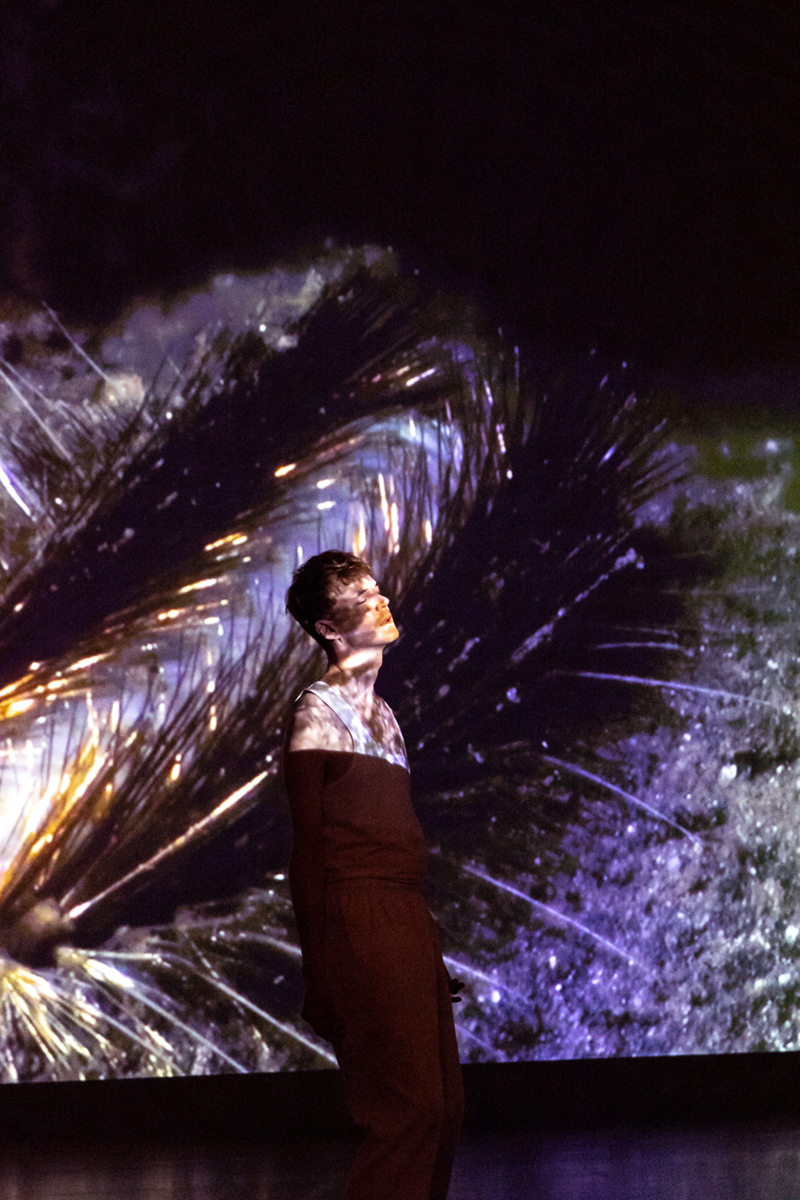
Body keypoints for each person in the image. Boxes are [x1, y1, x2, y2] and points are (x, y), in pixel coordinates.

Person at [283, 550, 464, 1200]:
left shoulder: (386, 717)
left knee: (443, 1109)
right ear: (329, 629)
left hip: (404, 917)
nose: (380, 600)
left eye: (376, 589)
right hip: (360, 919)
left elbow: (395, 841)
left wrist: (424, 948)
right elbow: (308, 852)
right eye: (360, 598)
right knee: (407, 1112)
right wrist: (321, 969)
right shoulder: (315, 714)